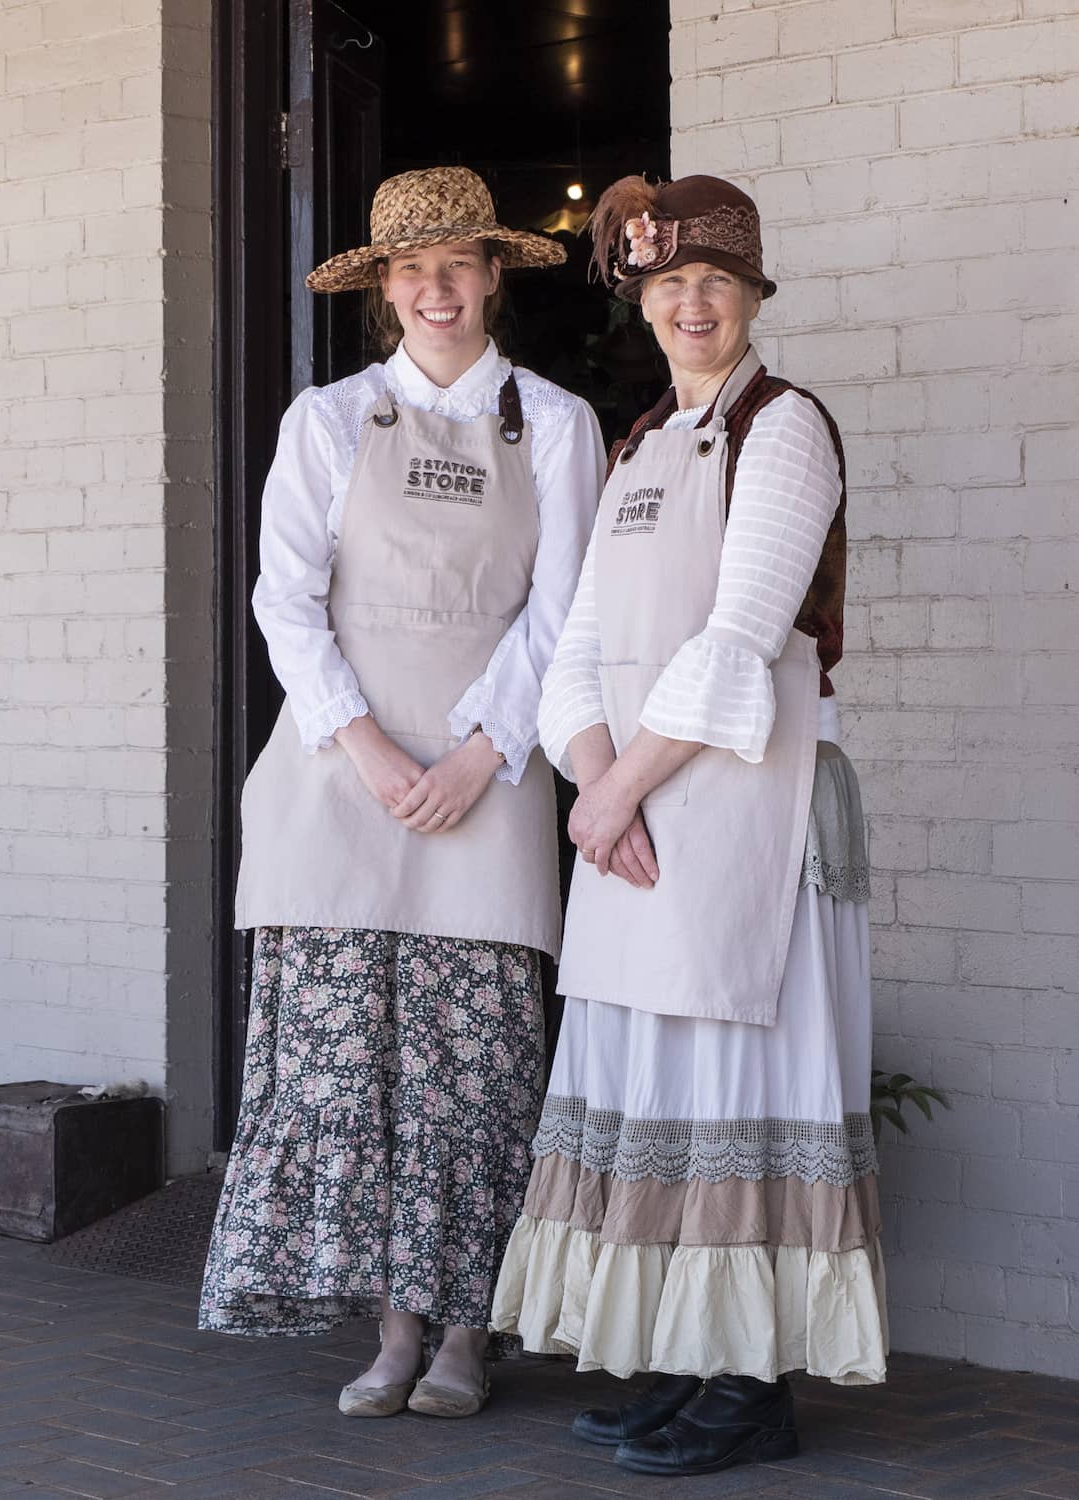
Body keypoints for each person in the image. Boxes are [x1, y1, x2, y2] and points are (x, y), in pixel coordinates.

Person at [490, 174, 886, 1475]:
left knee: (748, 1091)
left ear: (752, 295)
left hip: (754, 815)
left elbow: (743, 637)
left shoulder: (788, 431)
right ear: (644, 306)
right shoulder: (642, 445)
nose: (692, 302)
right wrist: (593, 773)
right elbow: (582, 647)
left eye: (715, 281)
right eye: (669, 285)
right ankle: (683, 1362)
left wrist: (611, 795)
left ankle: (753, 1387)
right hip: (645, 816)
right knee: (656, 1087)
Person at [200, 167, 605, 1420]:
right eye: (410, 269)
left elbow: (569, 612)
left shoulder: (557, 422)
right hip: (340, 782)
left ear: (493, 277)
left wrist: (483, 751)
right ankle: (388, 1333)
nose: (436, 287)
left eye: (458, 264)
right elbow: (284, 603)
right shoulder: (328, 420)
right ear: (385, 291)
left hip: (488, 780)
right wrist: (369, 748)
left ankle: (468, 1339)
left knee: (471, 1076)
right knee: (349, 1074)